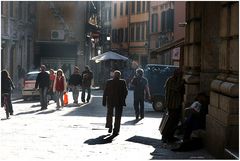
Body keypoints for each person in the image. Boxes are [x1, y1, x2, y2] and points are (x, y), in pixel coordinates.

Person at [162, 68, 185, 142]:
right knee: (170, 121)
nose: (180, 75)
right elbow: (177, 88)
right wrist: (180, 80)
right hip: (172, 104)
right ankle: (165, 136)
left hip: (176, 104)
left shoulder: (174, 80)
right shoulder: (171, 80)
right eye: (179, 74)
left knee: (175, 121)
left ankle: (170, 136)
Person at [102, 70, 128, 136]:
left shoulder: (109, 82)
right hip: (119, 101)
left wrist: (104, 101)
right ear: (120, 76)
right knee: (118, 116)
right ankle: (116, 130)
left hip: (110, 100)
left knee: (109, 114)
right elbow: (125, 92)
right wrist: (123, 98)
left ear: (113, 75)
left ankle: (109, 126)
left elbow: (105, 92)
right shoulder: (123, 82)